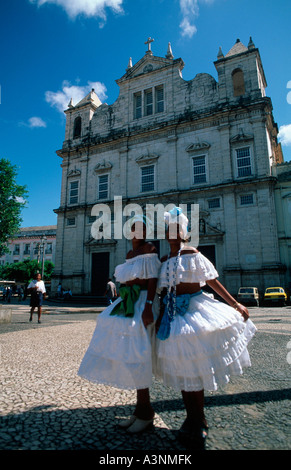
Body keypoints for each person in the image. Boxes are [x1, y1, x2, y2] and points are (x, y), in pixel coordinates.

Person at [154, 207, 257, 449]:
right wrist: (159, 316)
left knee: (194, 370)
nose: (171, 234)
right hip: (172, 316)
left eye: (175, 230)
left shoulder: (191, 253)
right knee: (183, 370)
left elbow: (212, 281)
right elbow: (163, 293)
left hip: (195, 314)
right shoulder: (164, 260)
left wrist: (234, 303)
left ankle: (200, 420)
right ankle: (190, 419)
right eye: (168, 230)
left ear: (183, 233)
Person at [78, 215, 161, 433]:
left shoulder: (150, 249)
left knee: (139, 354)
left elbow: (152, 279)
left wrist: (149, 306)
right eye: (134, 228)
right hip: (128, 301)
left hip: (143, 302)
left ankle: (145, 412)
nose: (137, 232)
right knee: (129, 354)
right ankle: (141, 409)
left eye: (142, 229)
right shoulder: (129, 254)